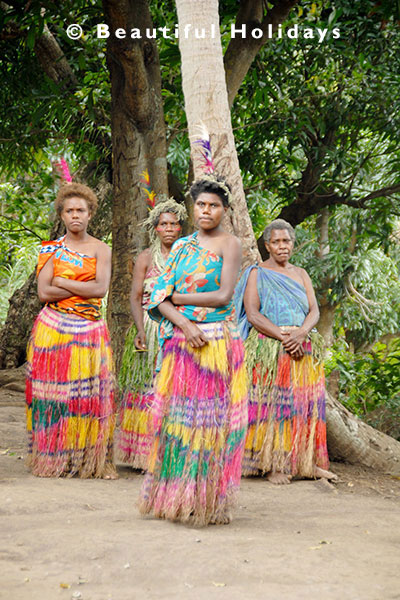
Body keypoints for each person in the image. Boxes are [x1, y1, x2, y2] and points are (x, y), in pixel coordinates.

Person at [139, 176, 248, 526]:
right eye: (201, 204)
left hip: (216, 342)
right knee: (178, 422)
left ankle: (207, 501)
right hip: (182, 345)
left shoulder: (230, 244)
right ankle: (173, 498)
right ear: (193, 207)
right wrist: (185, 323)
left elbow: (223, 296)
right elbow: (155, 296)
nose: (206, 210)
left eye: (214, 205)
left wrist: (180, 300)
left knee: (212, 425)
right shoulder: (182, 247)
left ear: (224, 210)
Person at [235, 218, 336, 484]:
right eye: (276, 242)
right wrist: (283, 336)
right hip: (271, 347)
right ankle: (273, 465)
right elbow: (253, 313)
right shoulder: (258, 273)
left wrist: (301, 334)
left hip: (303, 347)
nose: (282, 246)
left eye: (287, 241)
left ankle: (307, 463)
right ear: (267, 245)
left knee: (305, 406)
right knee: (272, 408)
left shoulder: (301, 273)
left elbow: (314, 311)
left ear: (293, 244)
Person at [26, 182, 116, 478]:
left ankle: (86, 459)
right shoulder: (51, 249)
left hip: (89, 331)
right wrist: (79, 287)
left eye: (81, 210)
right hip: (53, 331)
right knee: (54, 396)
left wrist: (62, 282)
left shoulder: (101, 249)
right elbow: (43, 293)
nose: (75, 215)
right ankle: (55, 457)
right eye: (69, 211)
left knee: (87, 395)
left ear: (90, 214)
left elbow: (100, 289)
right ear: (62, 215)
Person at [118, 199, 187, 469]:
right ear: (155, 228)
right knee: (146, 389)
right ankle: (143, 454)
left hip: (178, 326)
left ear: (181, 228)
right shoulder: (146, 258)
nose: (168, 228)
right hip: (150, 325)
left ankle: (170, 451)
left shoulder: (188, 255)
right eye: (163, 224)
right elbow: (136, 297)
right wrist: (139, 329)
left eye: (173, 224)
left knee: (172, 389)